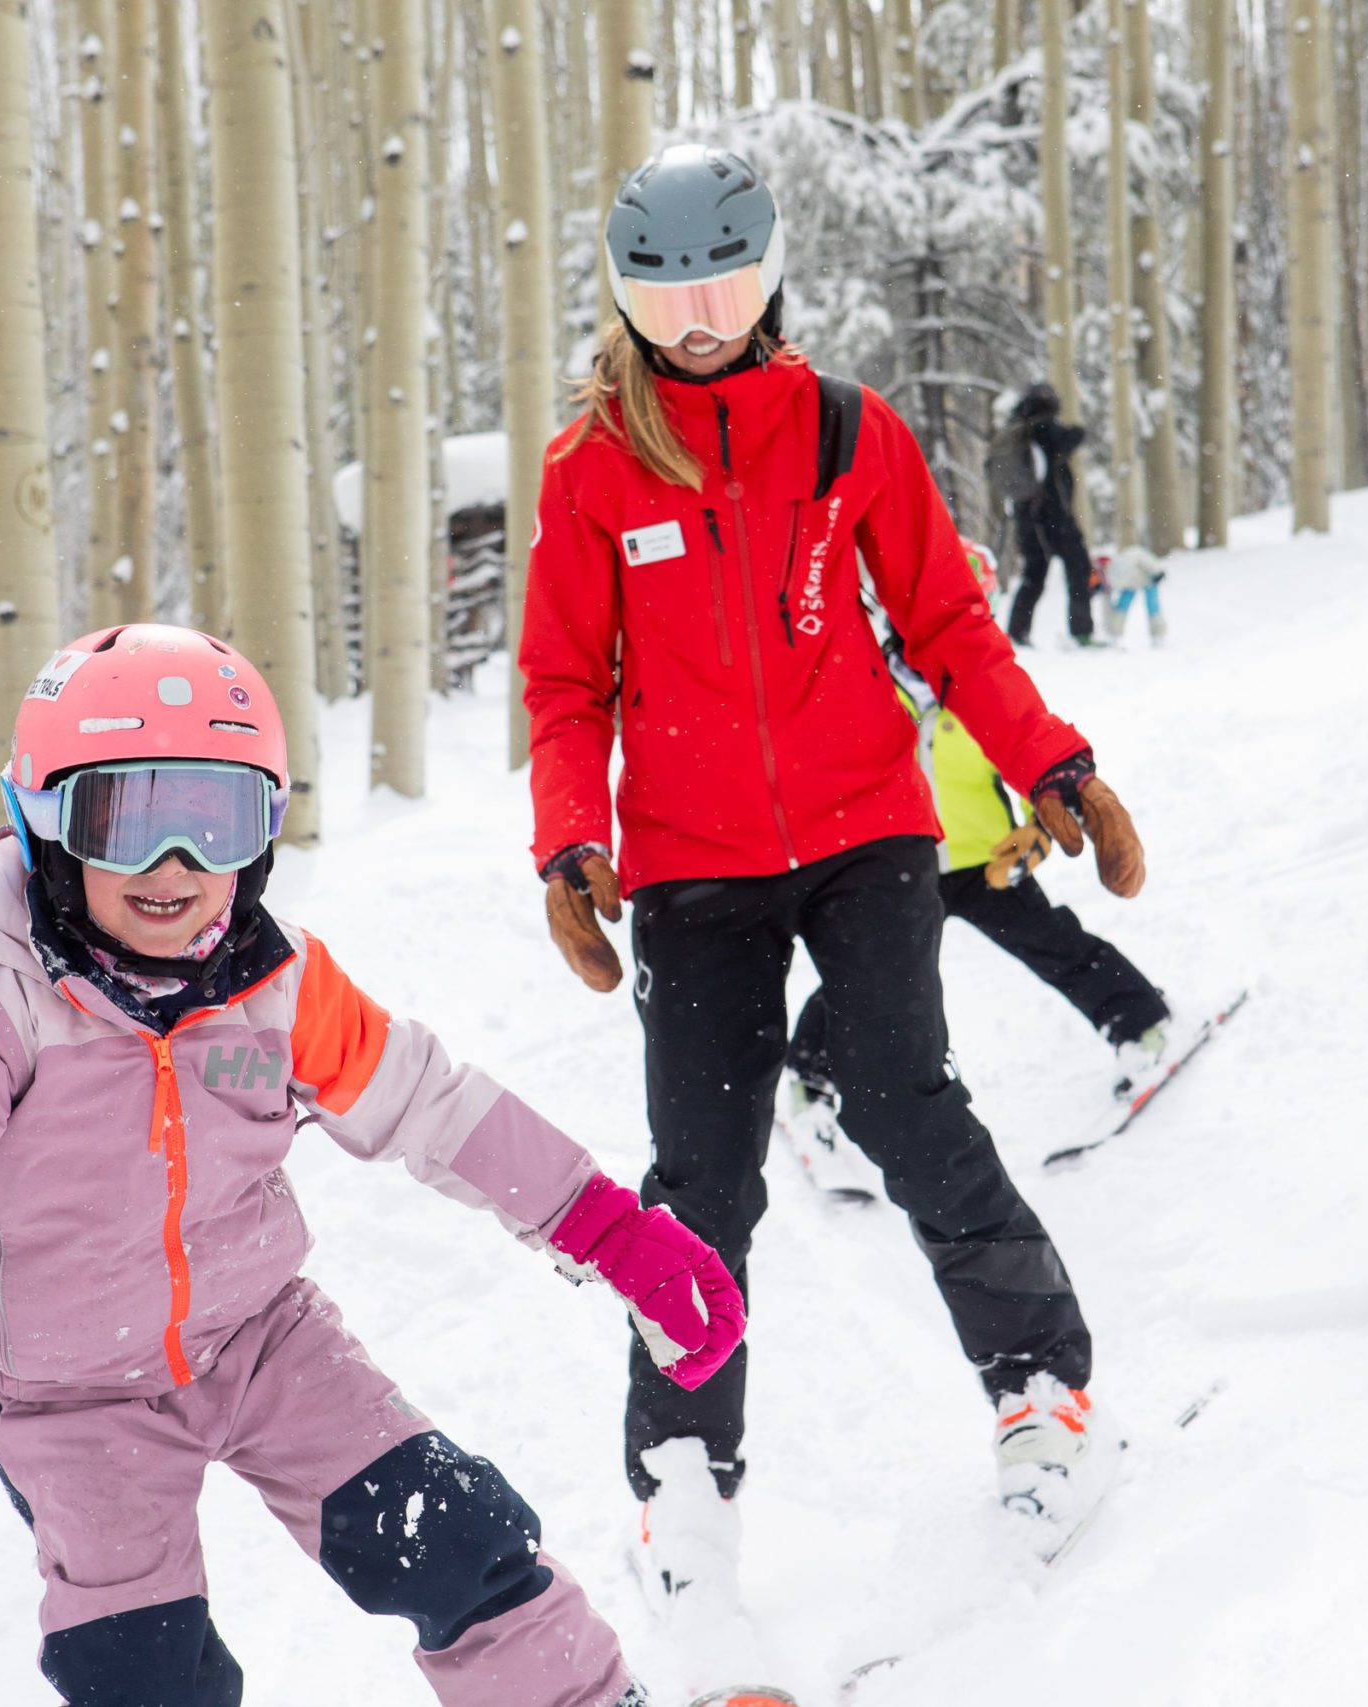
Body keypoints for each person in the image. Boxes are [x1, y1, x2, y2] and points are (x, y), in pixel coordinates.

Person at [0, 624, 743, 1707]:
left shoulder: (273, 988)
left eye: (215, 822)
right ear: (48, 825)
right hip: (69, 1403)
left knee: (456, 1541)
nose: (178, 871)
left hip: (264, 1344)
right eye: (127, 822)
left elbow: (434, 1105)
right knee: (140, 1671)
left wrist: (610, 1229)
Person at [518, 144, 1152, 1608]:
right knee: (701, 1176)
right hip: (690, 868)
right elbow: (566, 682)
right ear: (625, 297)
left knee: (900, 1098)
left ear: (773, 276)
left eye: (727, 285)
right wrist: (568, 839)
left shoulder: (845, 433)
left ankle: (1044, 1387)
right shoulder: (596, 468)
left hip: (869, 831)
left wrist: (1053, 762)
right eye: (667, 293)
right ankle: (682, 1475)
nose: (698, 320)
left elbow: (948, 621)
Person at [780, 538, 1173, 1202]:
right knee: (865, 981)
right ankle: (809, 1086)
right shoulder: (868, 679)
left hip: (986, 861)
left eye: (977, 602)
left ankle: (1143, 1024)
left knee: (1057, 944)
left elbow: (1026, 756)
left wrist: (1033, 837)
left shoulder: (980, 683)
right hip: (899, 866)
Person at [984, 382, 1102, 647]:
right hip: (1053, 515)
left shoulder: (1021, 430)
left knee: (1033, 575)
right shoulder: (1043, 427)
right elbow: (1073, 437)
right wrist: (1080, 430)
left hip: (1027, 517)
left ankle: (1017, 632)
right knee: (1078, 567)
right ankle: (1081, 632)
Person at [1103, 543, 1168, 645]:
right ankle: (1115, 634)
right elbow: (1150, 565)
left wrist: (1156, 572)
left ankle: (1115, 632)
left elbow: (1145, 561)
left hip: (1139, 580)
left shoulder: (1129, 555)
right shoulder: (1142, 557)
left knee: (1128, 605)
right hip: (1135, 582)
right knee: (1150, 605)